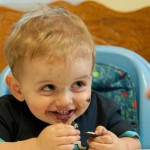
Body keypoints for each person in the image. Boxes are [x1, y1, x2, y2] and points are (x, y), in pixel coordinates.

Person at [0, 5, 141, 150]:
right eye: (49, 87)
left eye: (79, 84)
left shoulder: (102, 108)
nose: (65, 101)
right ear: (18, 89)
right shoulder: (7, 112)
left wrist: (117, 145)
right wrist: (36, 146)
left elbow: (135, 143)